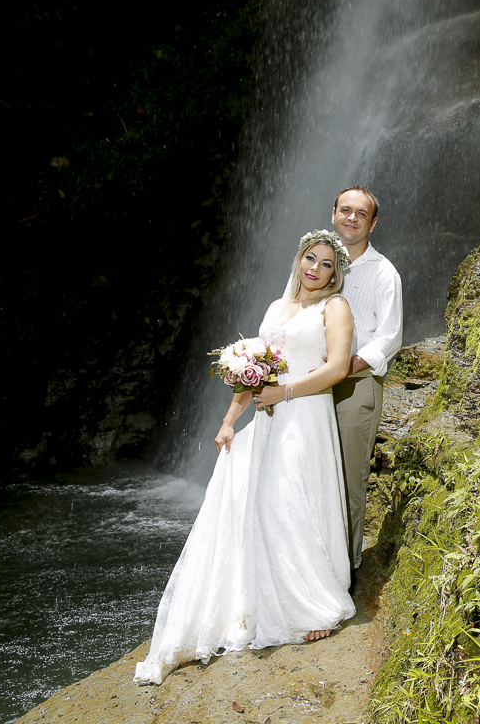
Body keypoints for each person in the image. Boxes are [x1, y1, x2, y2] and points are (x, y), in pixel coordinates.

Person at [134, 230, 357, 685]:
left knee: (291, 501)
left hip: (304, 413)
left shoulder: (334, 308)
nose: (315, 268)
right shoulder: (278, 308)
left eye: (326, 264)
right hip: (270, 414)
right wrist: (228, 421)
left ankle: (310, 602)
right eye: (310, 259)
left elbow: (336, 368)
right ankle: (264, 595)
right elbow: (256, 370)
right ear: (299, 260)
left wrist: (287, 390)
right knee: (258, 505)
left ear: (336, 274)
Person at [285, 186, 403, 579]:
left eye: (361, 213)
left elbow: (390, 336)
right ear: (333, 213)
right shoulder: (315, 266)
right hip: (308, 385)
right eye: (345, 210)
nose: (352, 218)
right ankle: (308, 565)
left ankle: (345, 571)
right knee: (308, 471)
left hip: (355, 384)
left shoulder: (384, 273)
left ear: (372, 222)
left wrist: (346, 365)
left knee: (349, 477)